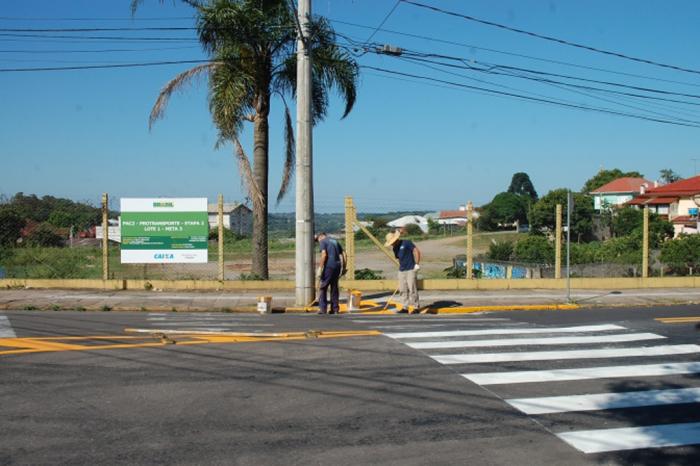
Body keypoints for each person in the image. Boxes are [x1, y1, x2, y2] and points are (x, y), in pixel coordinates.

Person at [384, 230, 421, 313]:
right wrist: (402, 268)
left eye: (392, 242)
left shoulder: (406, 243)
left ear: (396, 239)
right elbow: (399, 258)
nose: (392, 244)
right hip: (401, 270)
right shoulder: (394, 248)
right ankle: (405, 307)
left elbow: (416, 251)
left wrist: (417, 264)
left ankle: (416, 307)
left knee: (412, 289)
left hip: (411, 269)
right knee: (402, 289)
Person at [315, 232, 347, 315]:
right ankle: (335, 309)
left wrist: (320, 268)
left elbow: (324, 255)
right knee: (334, 287)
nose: (318, 242)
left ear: (320, 236)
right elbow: (344, 254)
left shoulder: (323, 241)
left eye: (317, 240)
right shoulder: (335, 241)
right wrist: (344, 267)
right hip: (337, 266)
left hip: (328, 266)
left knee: (323, 287)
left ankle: (323, 309)